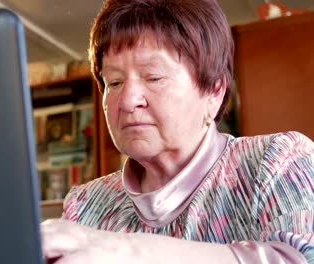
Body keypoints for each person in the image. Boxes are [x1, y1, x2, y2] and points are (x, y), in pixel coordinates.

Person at [41, 0, 314, 263]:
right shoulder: (86, 205)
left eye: (154, 77)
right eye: (114, 82)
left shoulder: (277, 162)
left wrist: (130, 250)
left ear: (214, 92)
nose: (126, 100)